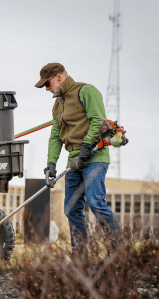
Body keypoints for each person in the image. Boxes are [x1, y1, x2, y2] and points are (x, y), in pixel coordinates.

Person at [35, 63, 118, 251]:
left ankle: (119, 249)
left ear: (59, 77)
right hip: (74, 161)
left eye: (48, 85)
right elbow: (56, 135)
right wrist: (51, 162)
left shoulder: (86, 91)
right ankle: (80, 256)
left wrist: (86, 147)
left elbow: (98, 120)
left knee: (96, 202)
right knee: (71, 209)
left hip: (94, 157)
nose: (47, 90)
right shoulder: (57, 104)